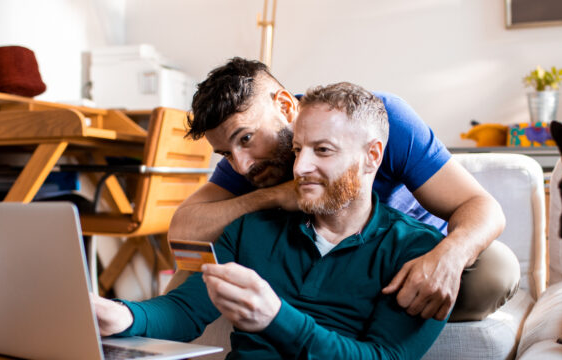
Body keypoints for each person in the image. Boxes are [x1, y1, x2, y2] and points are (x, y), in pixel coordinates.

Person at [94, 83, 448, 360]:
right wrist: (121, 315)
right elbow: (185, 310)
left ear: (372, 155)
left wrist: (275, 318)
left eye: (322, 150)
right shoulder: (251, 229)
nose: (301, 167)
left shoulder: (418, 250)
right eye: (297, 150)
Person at [168, 58, 517, 322]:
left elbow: (480, 205)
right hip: (314, 269)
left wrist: (449, 257)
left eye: (246, 139)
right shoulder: (251, 164)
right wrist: (275, 195)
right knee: (189, 277)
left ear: (286, 107)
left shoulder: (378, 120)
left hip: (401, 261)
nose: (241, 165)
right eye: (227, 153)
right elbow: (183, 232)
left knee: (496, 269)